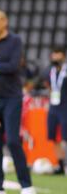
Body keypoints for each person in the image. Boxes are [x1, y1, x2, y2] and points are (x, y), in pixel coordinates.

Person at [0, 10, 36, 194]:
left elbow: (13, 66)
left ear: (4, 22)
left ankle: (27, 185)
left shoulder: (15, 41)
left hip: (12, 97)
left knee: (13, 140)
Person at [43, 46, 67, 175]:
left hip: (65, 106)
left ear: (63, 55)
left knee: (65, 137)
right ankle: (60, 165)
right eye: (54, 54)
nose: (55, 56)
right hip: (53, 107)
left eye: (58, 54)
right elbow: (44, 82)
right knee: (53, 137)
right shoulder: (49, 71)